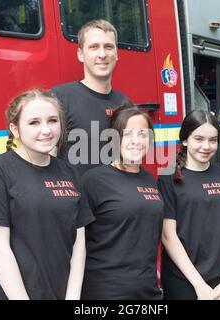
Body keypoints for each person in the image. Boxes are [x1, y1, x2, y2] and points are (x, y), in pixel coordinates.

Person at [0, 89, 94, 300]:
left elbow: (79, 241)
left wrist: (72, 296)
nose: (46, 130)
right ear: (15, 129)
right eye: (34, 122)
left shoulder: (70, 172)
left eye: (52, 120)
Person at [158, 110, 220, 300]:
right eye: (199, 139)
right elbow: (168, 236)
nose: (206, 146)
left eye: (212, 140)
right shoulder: (168, 179)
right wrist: (199, 286)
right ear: (185, 140)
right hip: (184, 282)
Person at [79, 105, 163, 300]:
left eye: (142, 134)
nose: (136, 141)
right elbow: (76, 242)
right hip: (106, 292)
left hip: (147, 289)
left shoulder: (149, 179)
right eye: (127, 134)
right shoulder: (94, 180)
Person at [51, 19, 131, 175]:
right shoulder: (59, 98)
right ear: (81, 54)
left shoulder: (126, 104)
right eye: (94, 47)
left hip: (114, 198)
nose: (102, 54)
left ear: (116, 54)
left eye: (108, 47)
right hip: (75, 198)